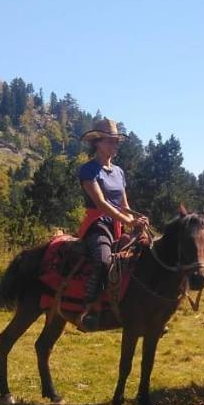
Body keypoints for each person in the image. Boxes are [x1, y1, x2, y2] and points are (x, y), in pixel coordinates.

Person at [76, 119, 143, 330]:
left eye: (116, 142)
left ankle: (138, 310)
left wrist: (137, 220)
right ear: (97, 143)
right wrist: (127, 220)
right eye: (110, 141)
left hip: (118, 224)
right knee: (104, 261)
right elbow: (101, 204)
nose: (114, 146)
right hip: (97, 224)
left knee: (144, 255)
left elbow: (124, 204)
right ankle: (90, 309)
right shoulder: (88, 170)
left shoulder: (119, 172)